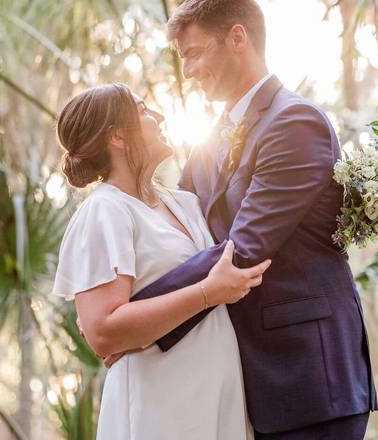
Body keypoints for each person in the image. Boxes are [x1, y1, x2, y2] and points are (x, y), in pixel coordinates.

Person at [131, 0, 377, 439]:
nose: (187, 70)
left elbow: (244, 248)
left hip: (307, 379)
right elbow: (184, 231)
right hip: (242, 380)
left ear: (238, 39)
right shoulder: (208, 143)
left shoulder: (295, 123)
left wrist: (137, 318)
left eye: (194, 52)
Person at [52, 83, 269, 439]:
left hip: (215, 394)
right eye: (144, 111)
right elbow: (103, 331)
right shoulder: (106, 210)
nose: (160, 116)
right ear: (118, 136)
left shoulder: (184, 202)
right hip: (160, 402)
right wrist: (206, 294)